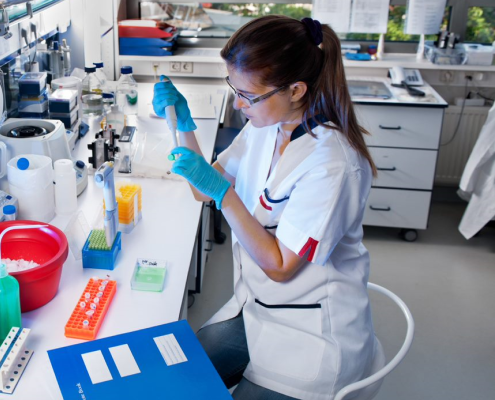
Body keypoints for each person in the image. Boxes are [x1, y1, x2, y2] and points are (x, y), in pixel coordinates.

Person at [153, 16, 385, 400]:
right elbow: (203, 191)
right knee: (174, 379)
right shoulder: (265, 125)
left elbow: (279, 266)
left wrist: (224, 195)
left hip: (310, 336)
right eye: (235, 88)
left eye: (248, 95)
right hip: (256, 308)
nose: (237, 103)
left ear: (295, 89)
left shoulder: (333, 165)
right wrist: (184, 125)